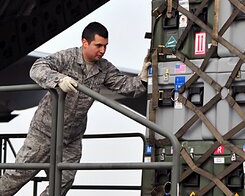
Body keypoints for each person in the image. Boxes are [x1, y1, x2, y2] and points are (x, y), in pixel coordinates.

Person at [0, 22, 150, 195]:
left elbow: (125, 85)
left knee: (63, 181)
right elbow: (37, 68)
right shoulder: (68, 58)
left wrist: (143, 78)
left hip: (71, 137)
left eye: (105, 46)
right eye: (98, 45)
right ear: (85, 42)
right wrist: (59, 80)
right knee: (16, 177)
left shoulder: (104, 68)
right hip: (45, 132)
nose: (102, 50)